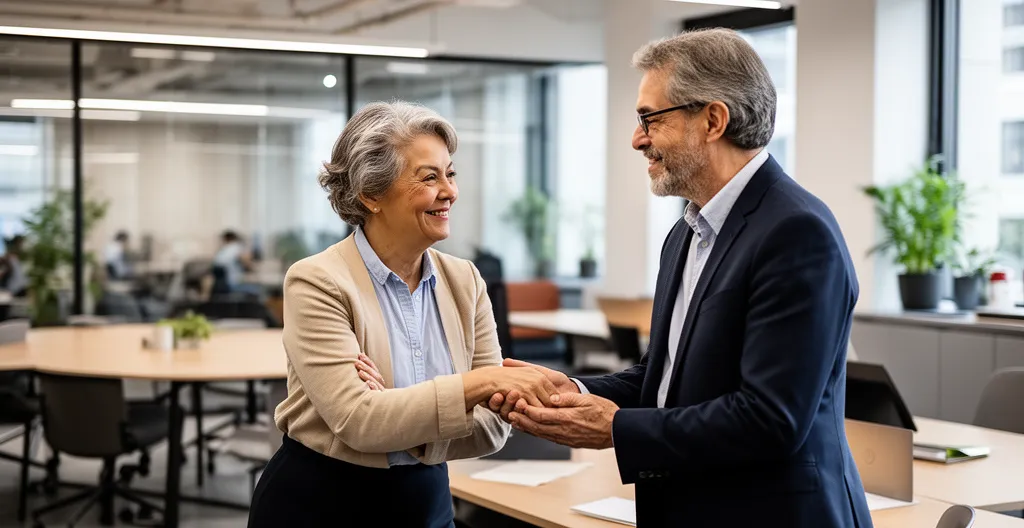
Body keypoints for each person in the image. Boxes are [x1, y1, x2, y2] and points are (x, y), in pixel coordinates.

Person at [488, 29, 874, 527]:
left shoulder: (797, 233)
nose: (637, 138)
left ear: (713, 120)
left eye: (650, 118)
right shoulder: (687, 232)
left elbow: (771, 420)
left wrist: (618, 428)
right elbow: (665, 375)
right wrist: (575, 392)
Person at [248, 102, 556, 527]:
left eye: (450, 173)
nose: (449, 190)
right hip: (323, 501)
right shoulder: (317, 281)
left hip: (426, 501)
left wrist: (399, 423)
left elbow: (493, 427)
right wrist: (477, 384)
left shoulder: (465, 280)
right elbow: (359, 421)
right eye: (429, 177)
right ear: (371, 194)